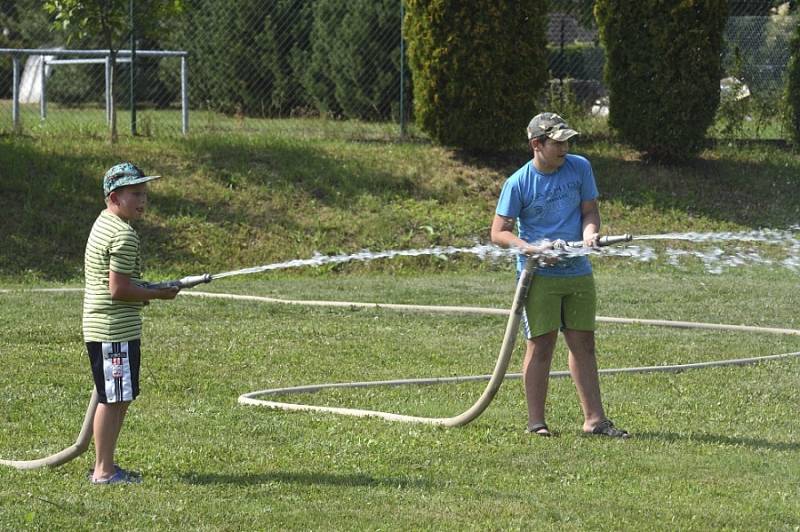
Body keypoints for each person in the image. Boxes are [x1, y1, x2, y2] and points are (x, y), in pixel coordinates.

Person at [490, 112, 629, 438]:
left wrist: (591, 233)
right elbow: (499, 232)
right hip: (539, 276)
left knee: (584, 344)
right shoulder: (519, 182)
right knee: (541, 345)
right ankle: (537, 423)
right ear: (537, 144)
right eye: (558, 142)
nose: (565, 147)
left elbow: (589, 211)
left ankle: (595, 421)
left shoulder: (580, 167)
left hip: (577, 271)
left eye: (567, 141)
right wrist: (531, 249)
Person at [83, 162, 180, 484]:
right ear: (114, 197)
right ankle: (104, 471)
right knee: (115, 399)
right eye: (135, 194)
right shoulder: (124, 236)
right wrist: (158, 294)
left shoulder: (104, 222)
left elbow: (119, 282)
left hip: (105, 326)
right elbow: (118, 289)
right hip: (113, 329)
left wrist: (149, 288)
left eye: (145, 194)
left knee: (116, 396)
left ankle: (103, 465)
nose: (143, 200)